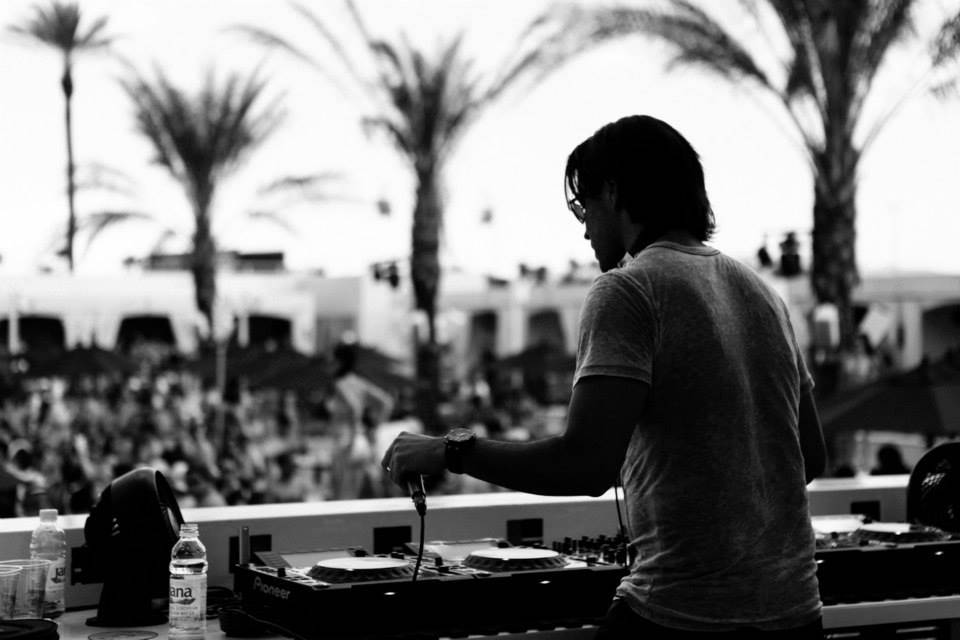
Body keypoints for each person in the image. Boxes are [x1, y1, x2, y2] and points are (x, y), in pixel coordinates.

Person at [382, 115, 827, 637]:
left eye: (583, 205)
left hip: (683, 616)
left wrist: (450, 451)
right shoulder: (763, 294)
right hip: (796, 613)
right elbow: (809, 455)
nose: (584, 227)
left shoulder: (628, 290)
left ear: (613, 192)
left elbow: (585, 466)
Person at [327, 339, 395, 500]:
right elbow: (387, 402)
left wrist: (355, 426)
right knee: (355, 494)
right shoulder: (358, 382)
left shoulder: (340, 384)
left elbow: (354, 407)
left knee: (343, 498)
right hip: (360, 442)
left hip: (346, 443)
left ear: (340, 361)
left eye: (332, 359)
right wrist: (374, 427)